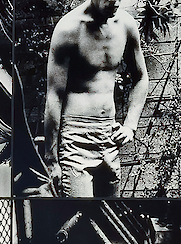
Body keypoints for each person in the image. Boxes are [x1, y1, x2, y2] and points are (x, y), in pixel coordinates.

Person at [44, 0, 149, 197]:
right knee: (78, 217)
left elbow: (141, 78)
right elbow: (54, 95)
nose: (116, 2)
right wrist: (51, 160)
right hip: (75, 140)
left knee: (109, 217)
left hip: (109, 136)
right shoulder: (68, 29)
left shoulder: (126, 25)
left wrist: (130, 126)